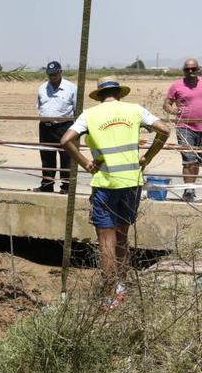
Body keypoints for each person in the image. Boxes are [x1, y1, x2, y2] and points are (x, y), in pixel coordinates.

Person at [60, 76, 170, 309]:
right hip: (132, 183)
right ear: (119, 93)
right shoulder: (134, 110)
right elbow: (164, 129)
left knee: (106, 242)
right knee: (122, 236)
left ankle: (110, 294)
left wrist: (85, 163)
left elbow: (66, 140)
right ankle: (122, 285)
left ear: (99, 95)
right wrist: (147, 158)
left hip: (106, 185)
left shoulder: (90, 115)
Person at [35, 61, 78, 193]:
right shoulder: (42, 88)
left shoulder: (71, 88)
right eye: (50, 74)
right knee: (47, 157)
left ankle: (66, 187)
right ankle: (47, 185)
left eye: (54, 74)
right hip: (45, 127)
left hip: (64, 126)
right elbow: (39, 106)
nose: (52, 76)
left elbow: (77, 109)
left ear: (60, 72)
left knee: (66, 157)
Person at [163, 58, 202, 202]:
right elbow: (167, 104)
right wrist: (174, 111)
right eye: (187, 69)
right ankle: (189, 190)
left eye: (193, 69)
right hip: (185, 127)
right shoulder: (176, 86)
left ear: (198, 69)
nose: (190, 71)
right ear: (183, 70)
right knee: (188, 159)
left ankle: (192, 187)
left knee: (197, 160)